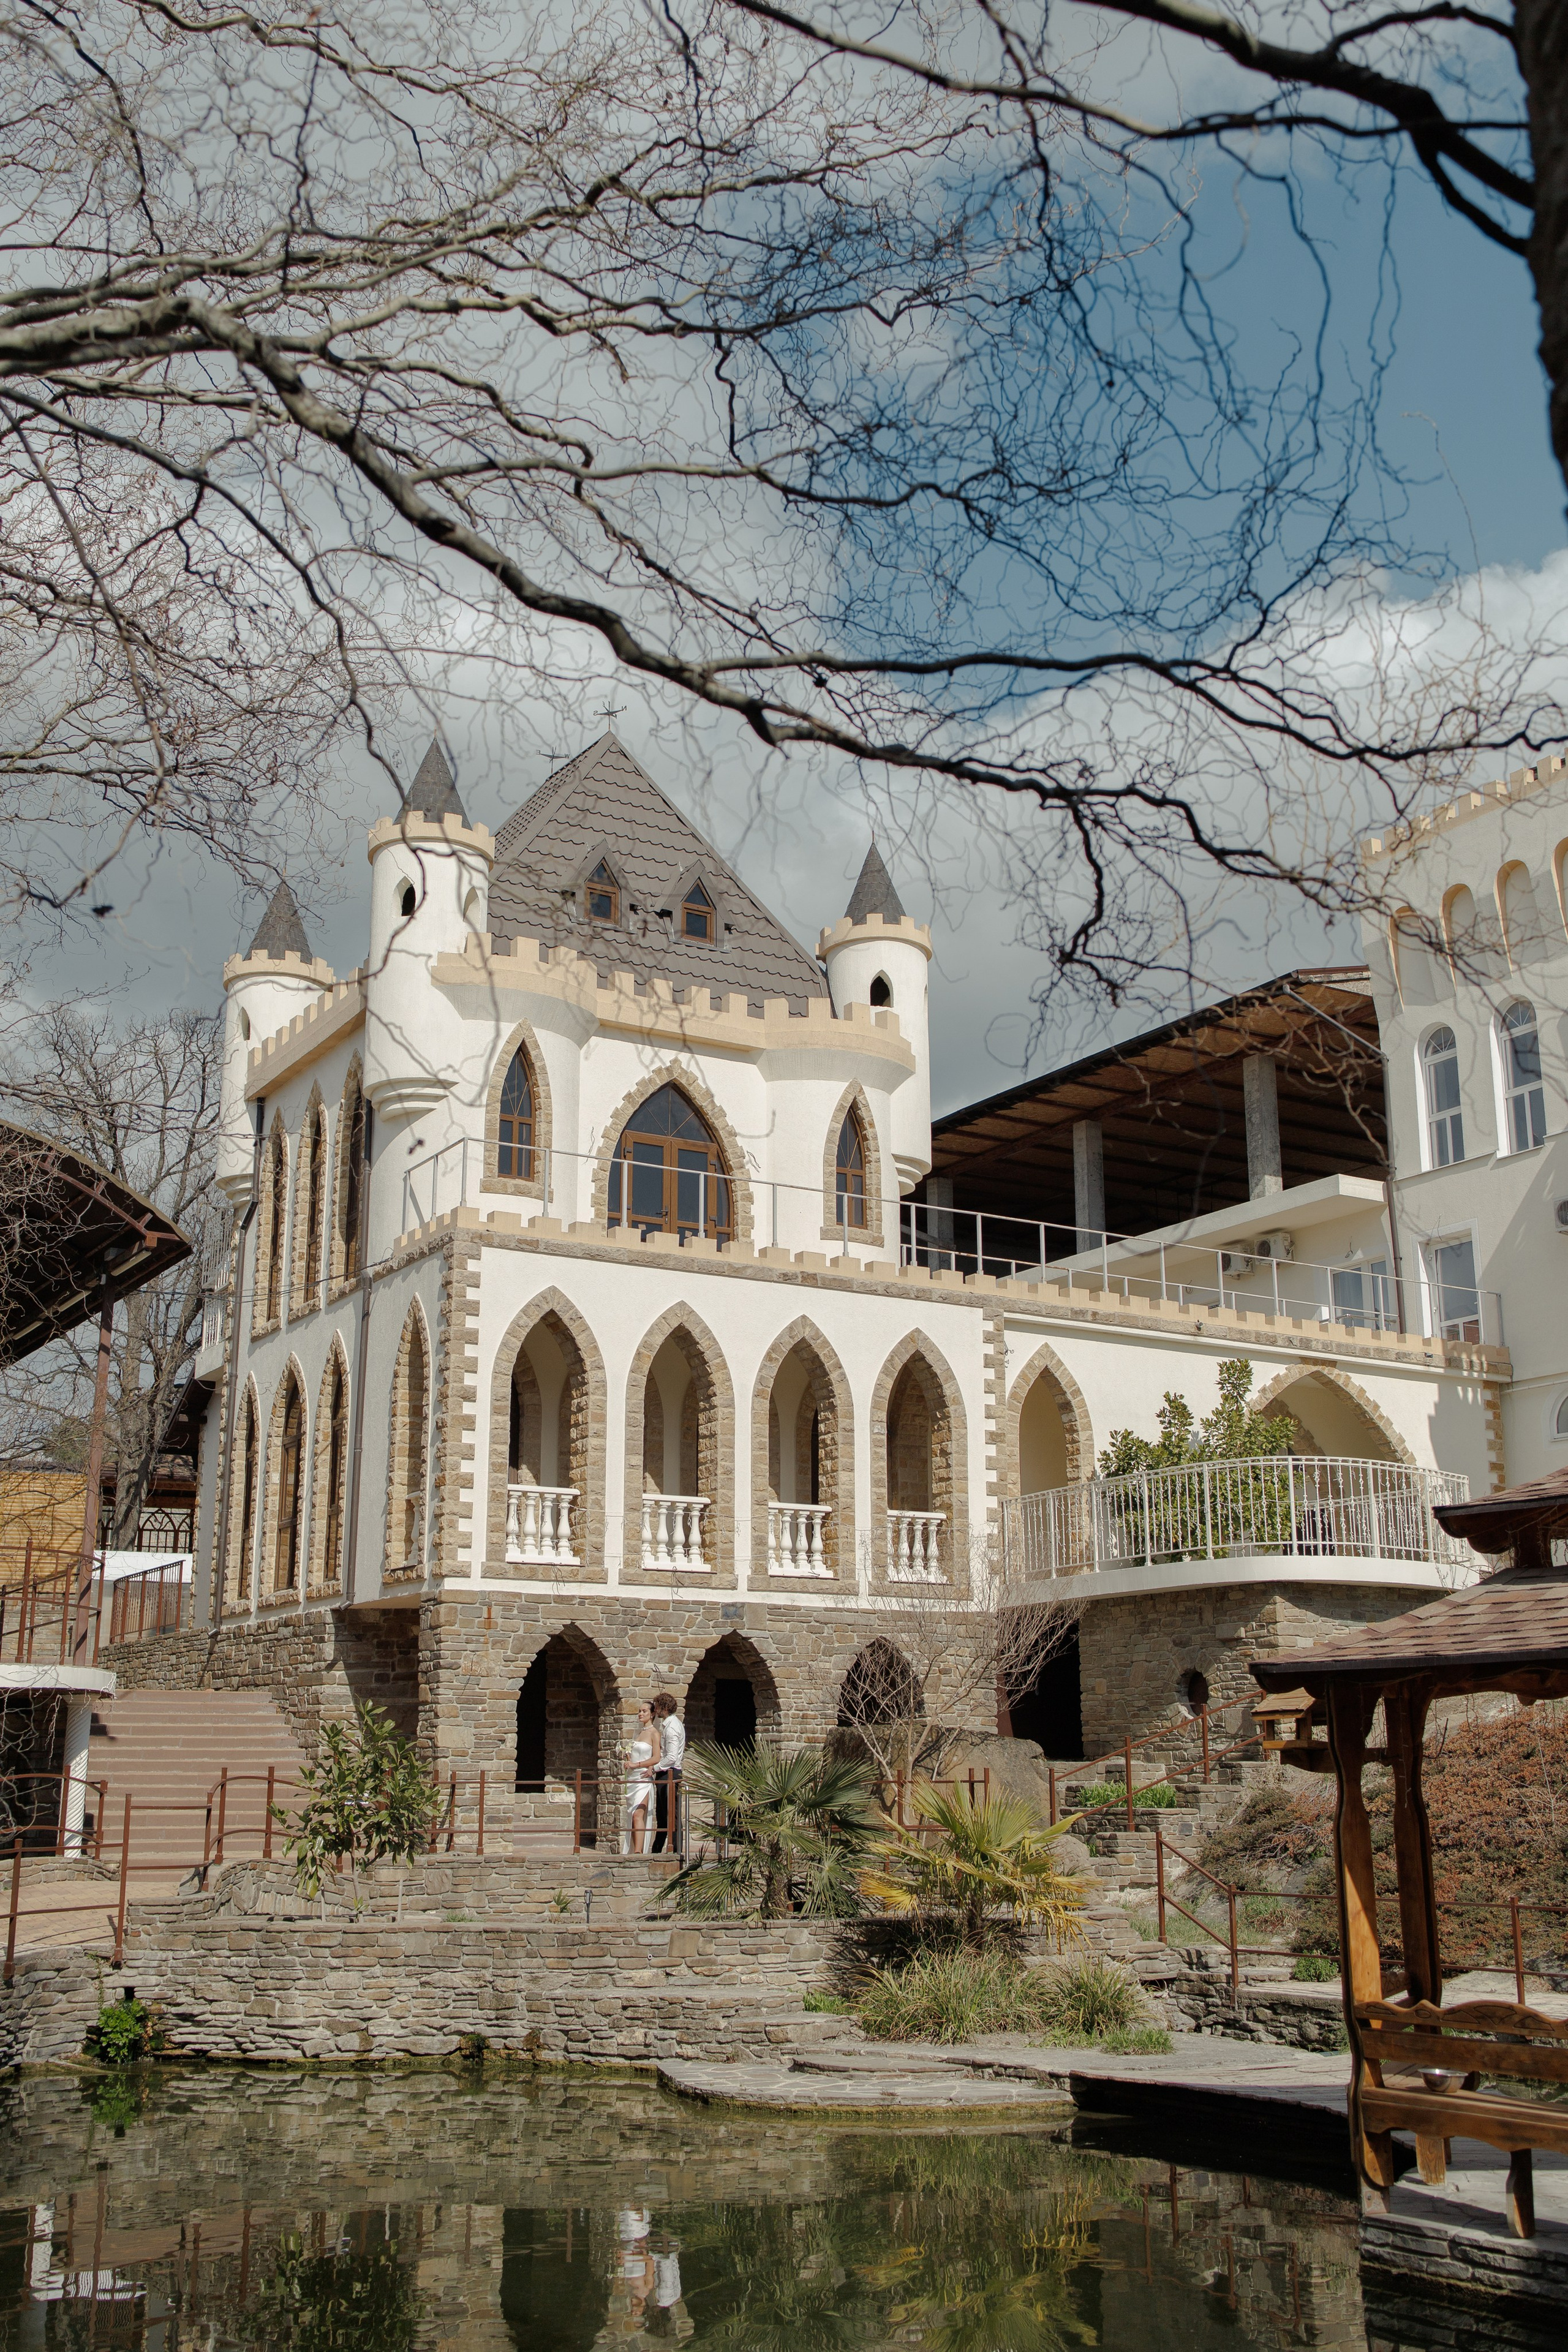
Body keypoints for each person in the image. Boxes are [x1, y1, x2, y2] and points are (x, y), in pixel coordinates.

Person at [650, 1691, 685, 1853]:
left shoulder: (672, 1728)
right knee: (663, 1814)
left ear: (664, 1708)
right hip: (666, 1772)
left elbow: (671, 1756)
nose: (655, 1710)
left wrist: (655, 1768)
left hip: (670, 1772)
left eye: (657, 1707)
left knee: (672, 1813)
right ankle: (657, 1849)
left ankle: (675, 1849)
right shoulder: (669, 1725)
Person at [622, 1700, 658, 1854]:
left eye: (644, 1711)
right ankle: (632, 1850)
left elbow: (656, 1757)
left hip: (643, 1778)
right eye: (639, 1711)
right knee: (632, 1815)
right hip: (632, 1779)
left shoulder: (654, 1734)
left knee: (639, 1813)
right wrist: (628, 1758)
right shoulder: (639, 1733)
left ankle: (639, 1852)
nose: (641, 1714)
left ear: (652, 1714)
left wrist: (637, 1765)